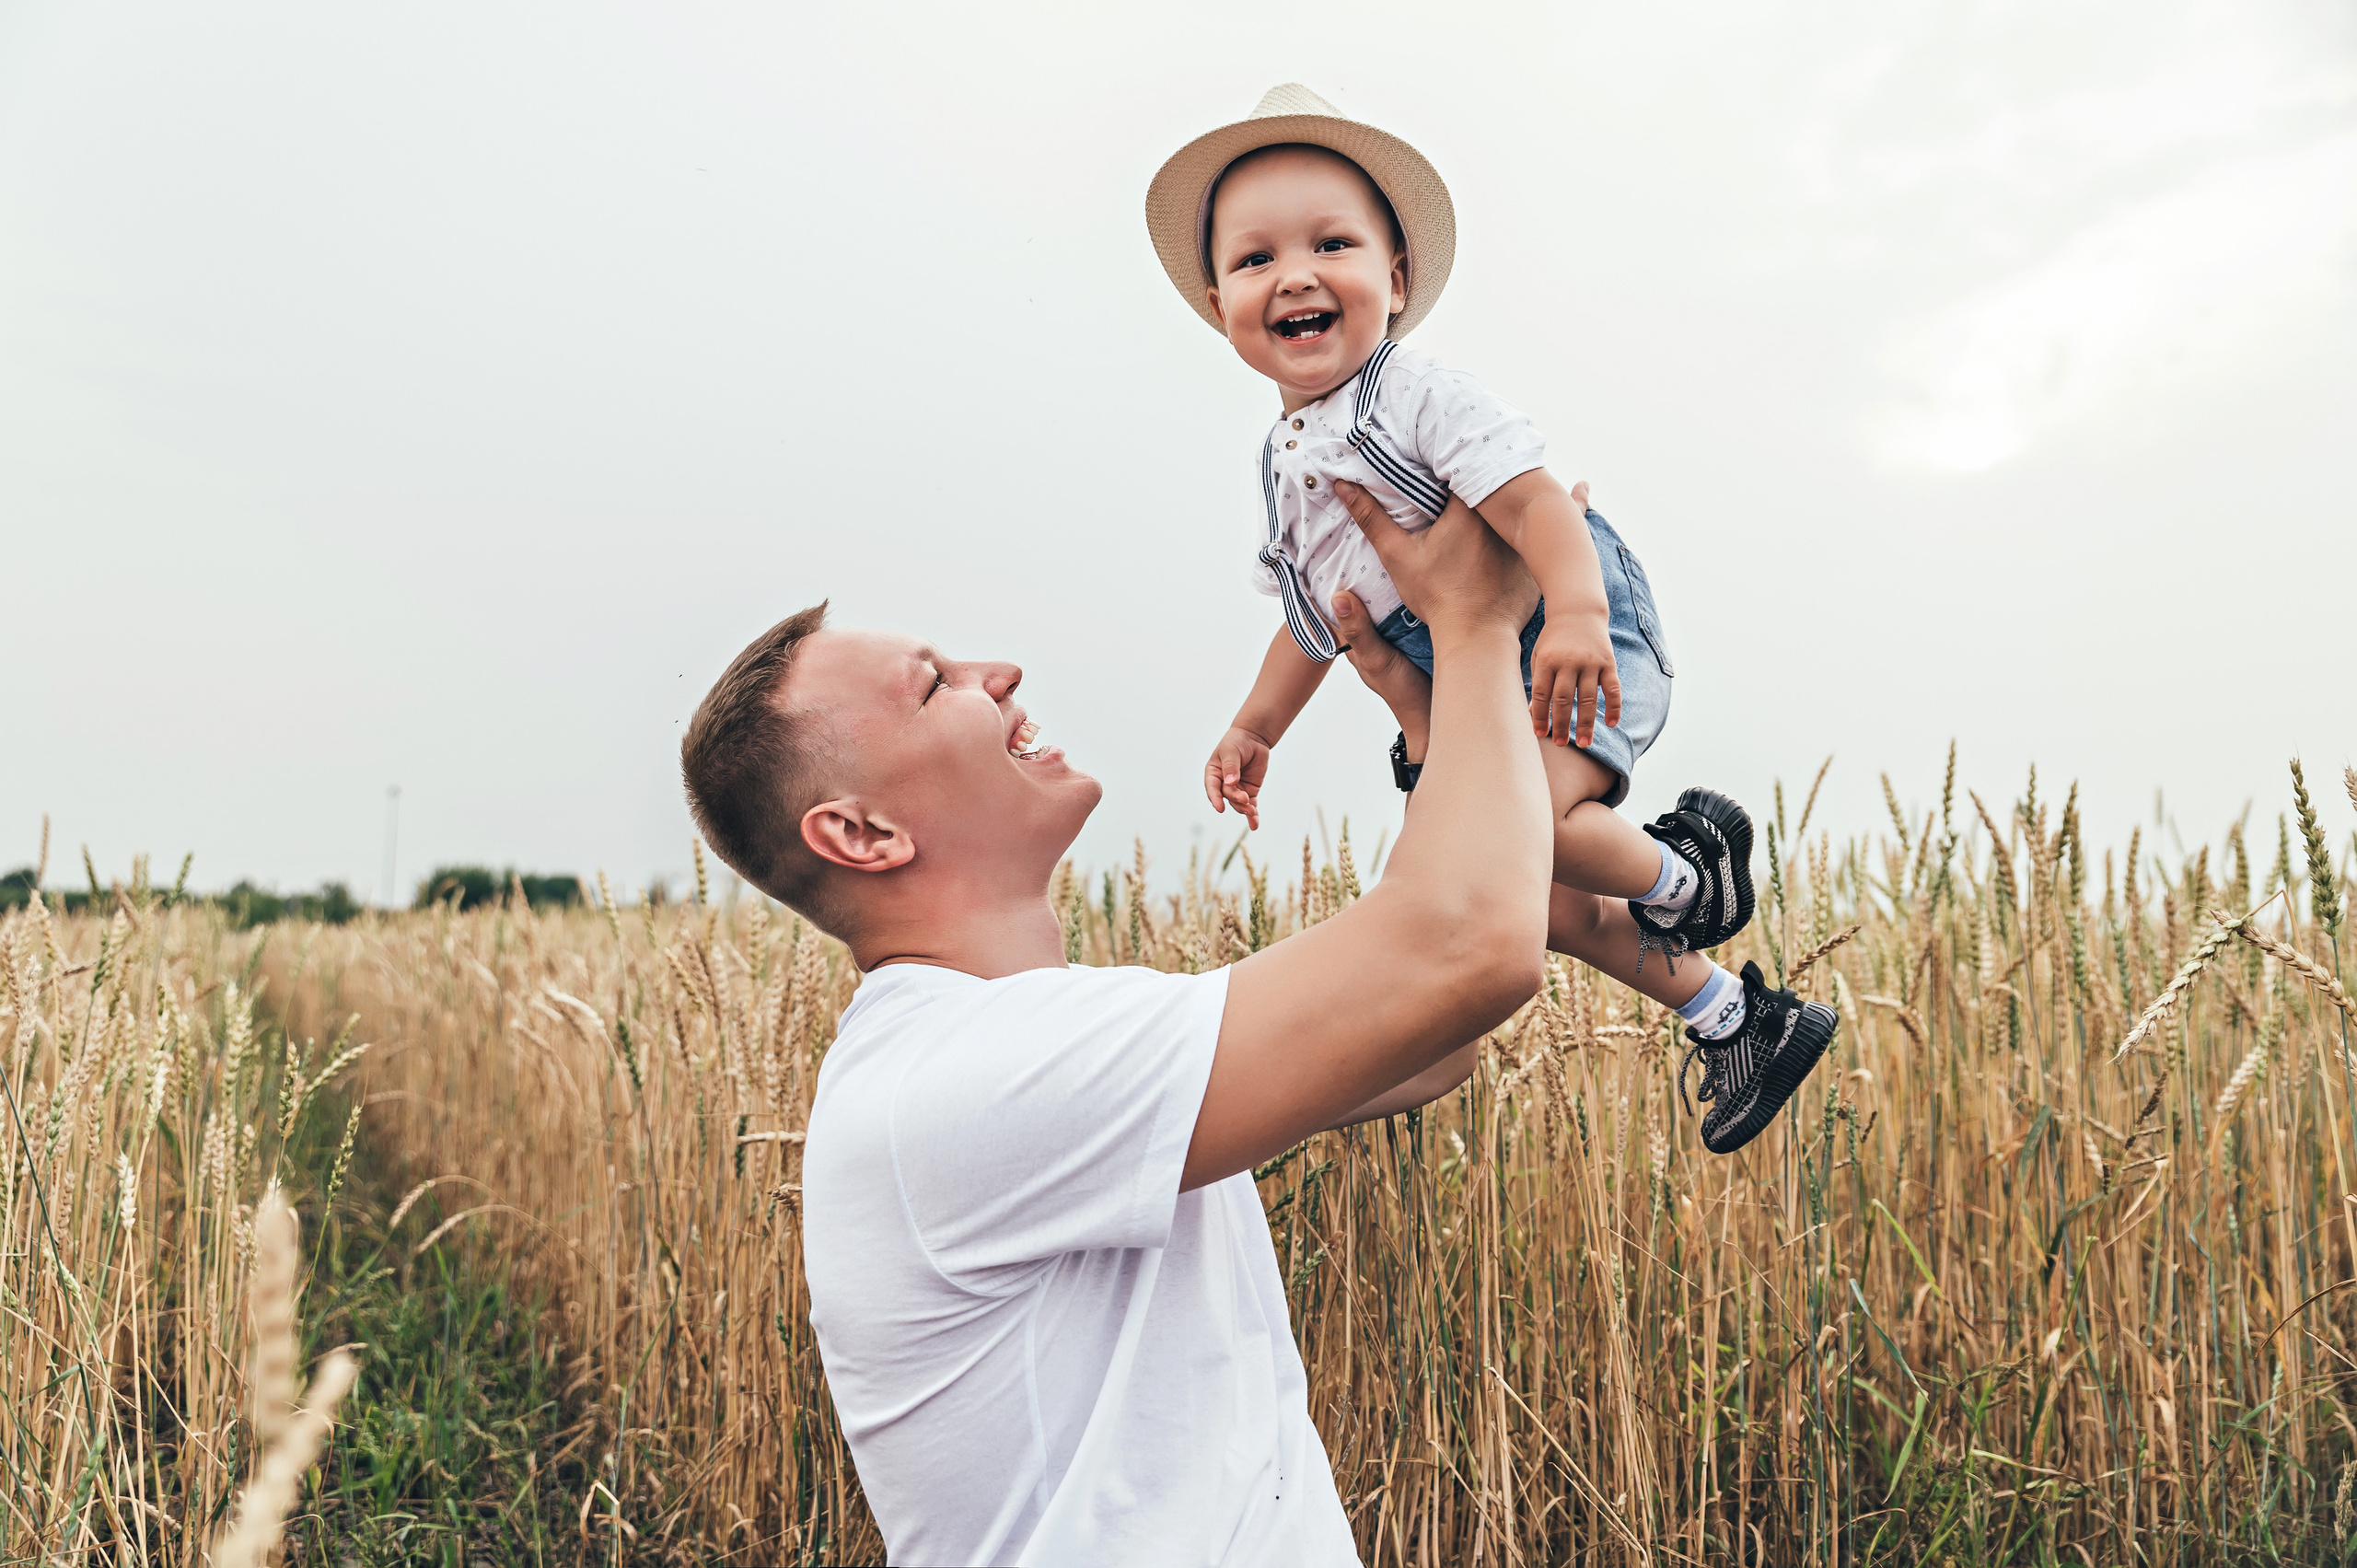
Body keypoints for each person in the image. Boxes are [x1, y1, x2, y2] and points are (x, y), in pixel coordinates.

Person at [679, 487, 1550, 1564]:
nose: (998, 672)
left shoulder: (1018, 1044)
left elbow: (1431, 1041)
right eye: (934, 685)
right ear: (862, 831)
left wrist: (1431, 725)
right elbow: (1471, 951)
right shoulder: (966, 1076)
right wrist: (1473, 624)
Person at [1145, 83, 1834, 1153]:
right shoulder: (1281, 459)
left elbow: (1532, 501)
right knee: (1515, 891)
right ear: (1216, 298)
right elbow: (1315, 612)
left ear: (1396, 278)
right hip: (1462, 661)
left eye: (1333, 243)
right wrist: (1256, 725)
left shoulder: (1417, 395)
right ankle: (1735, 1017)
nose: (1294, 274)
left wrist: (1572, 612)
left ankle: (1693, 872)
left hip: (1565, 631)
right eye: (1254, 258)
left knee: (1529, 834)